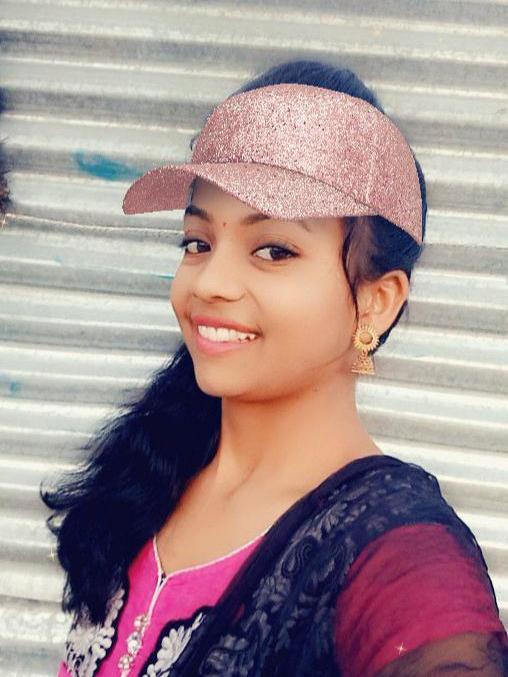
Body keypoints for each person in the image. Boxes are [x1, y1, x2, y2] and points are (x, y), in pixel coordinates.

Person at [42, 59, 508, 676]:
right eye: (198, 243)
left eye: (273, 250)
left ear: (376, 300)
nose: (210, 282)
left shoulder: (399, 558)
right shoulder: (154, 478)